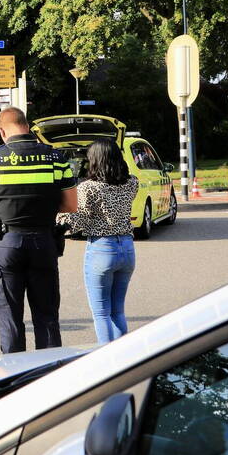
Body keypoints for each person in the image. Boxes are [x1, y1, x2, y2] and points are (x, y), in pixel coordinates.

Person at [0, 107, 78, 354]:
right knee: (47, 317)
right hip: (44, 242)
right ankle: (49, 376)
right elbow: (71, 205)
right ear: (27, 127)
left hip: (6, 244)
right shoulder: (56, 158)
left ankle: (14, 380)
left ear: (1, 130)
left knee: (10, 319)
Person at [58, 140, 138, 344]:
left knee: (101, 312)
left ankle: (107, 360)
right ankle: (125, 357)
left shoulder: (89, 188)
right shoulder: (132, 183)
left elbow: (81, 218)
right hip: (127, 248)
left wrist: (60, 219)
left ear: (95, 160)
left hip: (102, 248)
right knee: (118, 310)